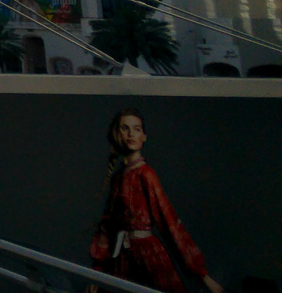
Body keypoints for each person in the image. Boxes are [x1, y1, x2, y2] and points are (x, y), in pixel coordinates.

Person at [89, 108, 222, 293]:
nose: (131, 134)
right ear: (117, 134)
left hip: (148, 258)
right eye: (125, 128)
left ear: (144, 136)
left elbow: (169, 223)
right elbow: (107, 226)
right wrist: (97, 271)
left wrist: (201, 274)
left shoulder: (146, 174)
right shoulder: (118, 177)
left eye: (136, 129)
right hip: (122, 260)